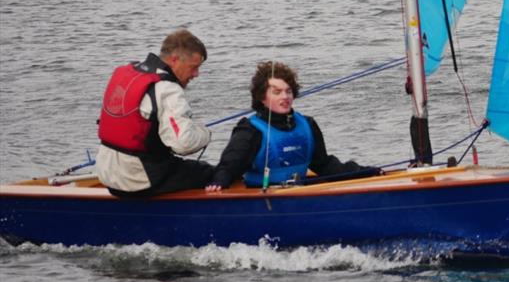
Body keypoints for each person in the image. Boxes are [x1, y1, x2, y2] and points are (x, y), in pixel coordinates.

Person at [206, 61, 381, 191]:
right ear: (262, 97)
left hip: (300, 193)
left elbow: (324, 165)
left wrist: (366, 172)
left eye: (288, 91)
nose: (285, 96)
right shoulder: (250, 130)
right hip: (261, 197)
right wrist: (218, 183)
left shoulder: (308, 124)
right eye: (277, 92)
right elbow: (229, 167)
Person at [96, 28, 215, 197]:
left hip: (106, 172)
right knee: (210, 172)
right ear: (174, 60)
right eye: (194, 67)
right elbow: (183, 144)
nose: (196, 74)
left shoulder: (128, 72)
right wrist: (205, 133)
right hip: (137, 180)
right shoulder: (168, 89)